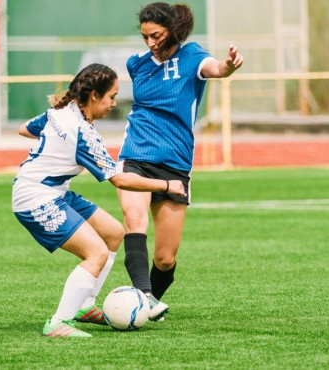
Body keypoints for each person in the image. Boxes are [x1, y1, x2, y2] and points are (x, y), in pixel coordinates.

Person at [13, 63, 186, 338]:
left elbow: (25, 129)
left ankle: (85, 305)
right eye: (111, 97)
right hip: (36, 198)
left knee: (114, 233)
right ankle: (59, 322)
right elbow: (120, 179)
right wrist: (166, 184)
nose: (114, 103)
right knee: (96, 253)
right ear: (94, 95)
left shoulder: (59, 112)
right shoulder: (83, 132)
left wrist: (55, 144)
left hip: (53, 190)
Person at [117, 2, 244, 322]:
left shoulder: (192, 57)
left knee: (164, 257)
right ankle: (143, 298)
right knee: (134, 222)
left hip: (175, 164)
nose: (150, 43)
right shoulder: (137, 64)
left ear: (173, 30)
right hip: (135, 155)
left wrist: (229, 65)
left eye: (156, 35)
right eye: (145, 36)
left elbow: (216, 69)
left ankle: (145, 304)